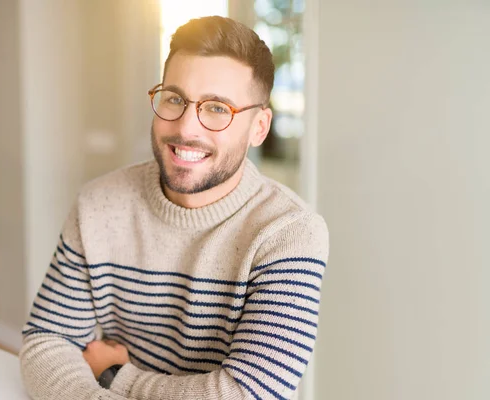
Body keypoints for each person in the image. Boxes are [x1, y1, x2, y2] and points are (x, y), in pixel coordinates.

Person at [20, 16, 329, 400]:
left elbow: (247, 394)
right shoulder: (98, 205)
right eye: (175, 98)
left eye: (217, 108)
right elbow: (47, 339)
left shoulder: (289, 232)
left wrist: (117, 376)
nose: (186, 127)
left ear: (259, 127)